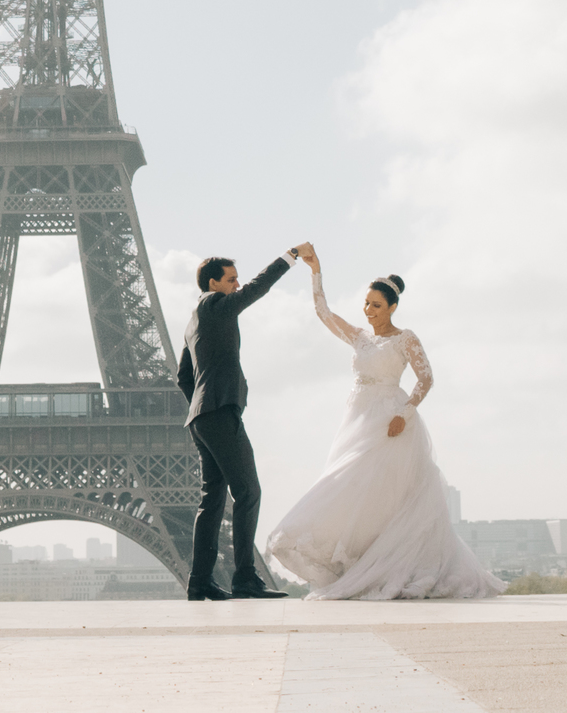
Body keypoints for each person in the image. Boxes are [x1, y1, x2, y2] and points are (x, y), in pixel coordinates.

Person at [267, 248, 504, 600]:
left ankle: (393, 566)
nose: (368, 311)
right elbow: (322, 312)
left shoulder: (405, 338)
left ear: (392, 307)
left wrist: (403, 414)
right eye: (366, 304)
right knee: (349, 491)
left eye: (376, 305)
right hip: (357, 423)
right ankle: (358, 562)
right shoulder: (360, 338)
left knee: (387, 499)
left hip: (391, 423)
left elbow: (426, 380)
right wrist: (316, 271)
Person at [177, 246, 310, 600]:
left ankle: (200, 581)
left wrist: (201, 403)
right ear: (213, 284)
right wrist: (291, 256)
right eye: (231, 279)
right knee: (249, 492)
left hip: (202, 417)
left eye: (236, 279)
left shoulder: (193, 321)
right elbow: (256, 289)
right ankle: (245, 578)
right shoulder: (213, 306)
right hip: (219, 413)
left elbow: (182, 376)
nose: (237, 285)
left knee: (213, 501)